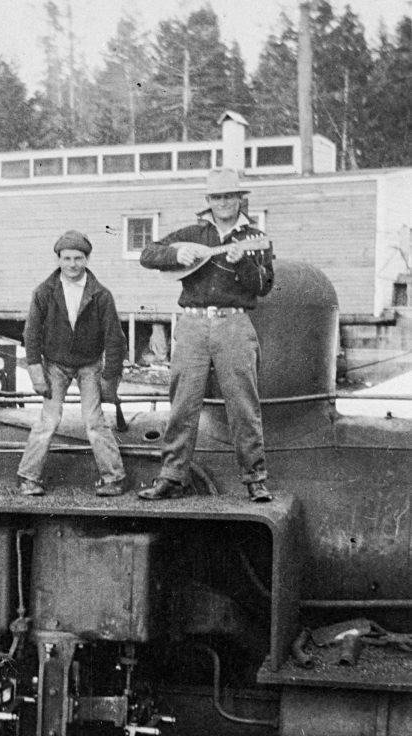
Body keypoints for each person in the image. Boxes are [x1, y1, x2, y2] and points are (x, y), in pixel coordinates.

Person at [138, 167, 274, 502]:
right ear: (208, 200)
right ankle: (172, 477)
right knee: (182, 403)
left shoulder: (255, 237)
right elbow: (147, 254)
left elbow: (264, 286)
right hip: (193, 324)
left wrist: (243, 263)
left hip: (234, 325)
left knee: (243, 404)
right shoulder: (192, 233)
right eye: (217, 196)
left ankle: (255, 479)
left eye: (229, 196)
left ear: (239, 199)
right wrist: (175, 254)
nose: (223, 202)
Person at [17, 230, 127, 497]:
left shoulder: (101, 295)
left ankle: (114, 478)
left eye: (78, 258)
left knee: (94, 420)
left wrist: (109, 379)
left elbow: (115, 339)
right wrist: (36, 372)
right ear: (58, 260)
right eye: (66, 258)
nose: (72, 264)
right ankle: (28, 477)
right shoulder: (44, 292)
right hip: (55, 364)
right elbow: (31, 334)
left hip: (89, 364)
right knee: (49, 419)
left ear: (87, 259)